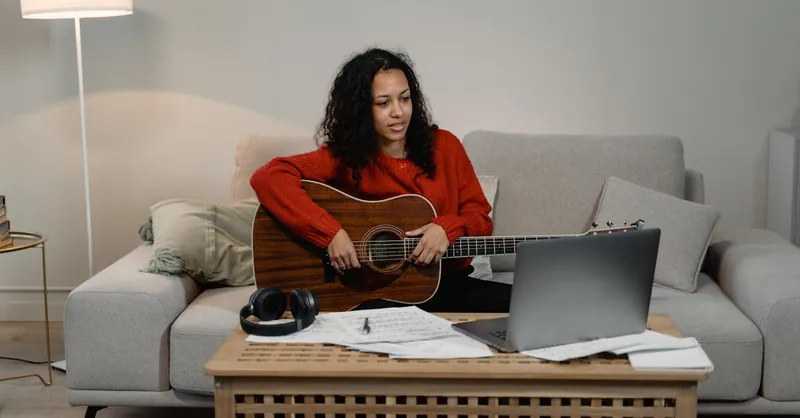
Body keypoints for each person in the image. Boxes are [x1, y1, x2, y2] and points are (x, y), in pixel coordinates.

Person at [250, 47, 510, 312]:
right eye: (383, 103)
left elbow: (480, 220)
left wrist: (448, 228)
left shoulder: (446, 146)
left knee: (525, 303)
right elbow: (269, 176)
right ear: (361, 110)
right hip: (374, 295)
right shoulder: (345, 158)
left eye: (405, 99)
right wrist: (329, 235)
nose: (398, 112)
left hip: (447, 285)